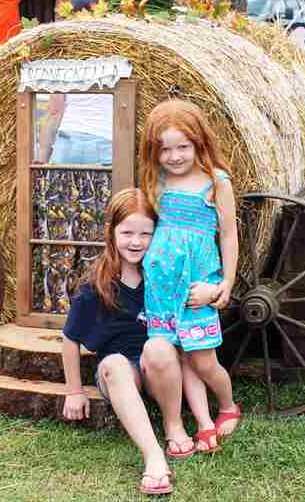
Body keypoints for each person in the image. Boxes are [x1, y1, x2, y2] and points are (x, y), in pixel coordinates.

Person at [62, 188, 217, 496]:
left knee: (158, 346)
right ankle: (153, 456)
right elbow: (69, 339)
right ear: (111, 232)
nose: (136, 242)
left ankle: (173, 426)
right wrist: (75, 392)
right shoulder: (95, 283)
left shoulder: (163, 276)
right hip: (121, 375)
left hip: (161, 368)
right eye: (127, 232)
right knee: (115, 364)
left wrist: (214, 290)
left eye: (146, 233)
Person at [139, 98, 242, 453]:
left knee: (202, 358)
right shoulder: (158, 179)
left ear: (199, 143)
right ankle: (203, 422)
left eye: (182, 147)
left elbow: (228, 235)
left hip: (197, 286)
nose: (175, 156)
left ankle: (228, 405)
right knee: (179, 355)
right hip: (161, 289)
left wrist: (224, 283)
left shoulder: (216, 182)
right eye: (165, 149)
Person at [37, 92, 112, 165]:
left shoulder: (64, 78)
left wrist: (42, 158)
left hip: (67, 141)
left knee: (58, 176)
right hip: (105, 140)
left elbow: (54, 112)